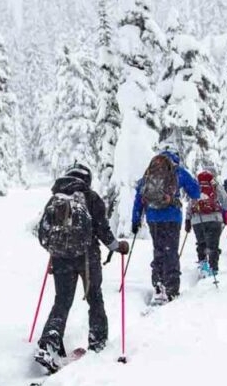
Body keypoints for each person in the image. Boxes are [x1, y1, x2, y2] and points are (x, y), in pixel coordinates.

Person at [35, 163, 127, 370]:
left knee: (62, 301)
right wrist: (117, 246)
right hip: (88, 258)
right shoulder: (91, 198)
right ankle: (98, 342)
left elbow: (45, 231)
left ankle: (49, 343)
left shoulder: (56, 197)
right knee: (94, 297)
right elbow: (103, 230)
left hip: (60, 258)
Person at [127, 146, 201, 303]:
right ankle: (172, 289)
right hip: (172, 218)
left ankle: (158, 285)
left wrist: (135, 220)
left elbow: (140, 196)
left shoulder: (151, 171)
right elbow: (195, 192)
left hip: (153, 218)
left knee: (159, 250)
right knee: (171, 252)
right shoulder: (177, 171)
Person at [186, 168, 225, 279]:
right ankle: (213, 268)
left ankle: (203, 267)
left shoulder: (196, 187)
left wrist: (188, 219)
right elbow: (225, 201)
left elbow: (190, 204)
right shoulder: (214, 187)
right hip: (214, 219)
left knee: (201, 243)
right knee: (213, 244)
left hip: (197, 220)